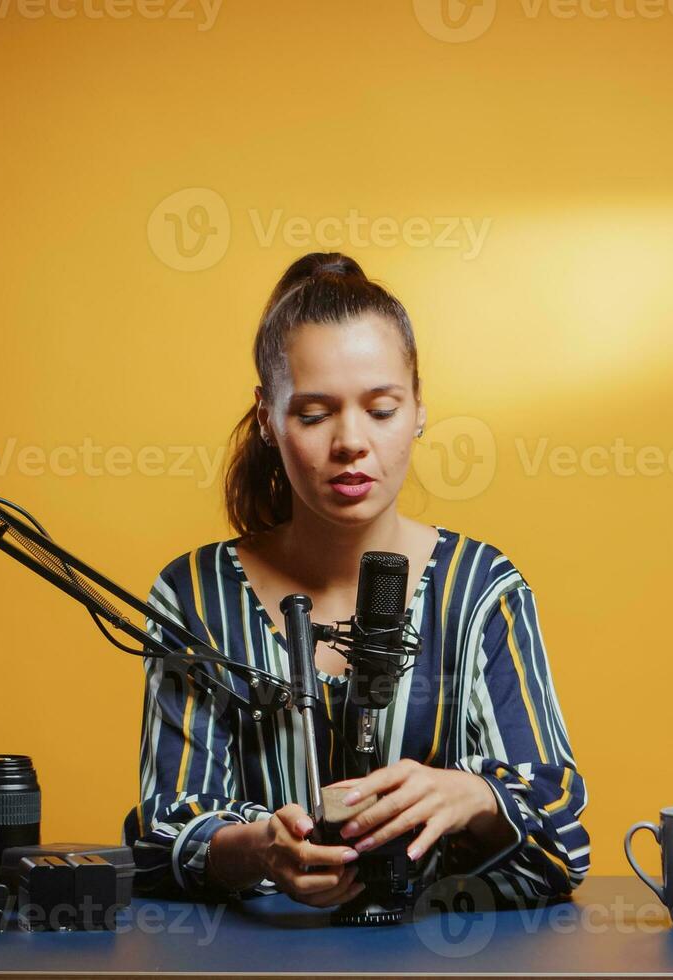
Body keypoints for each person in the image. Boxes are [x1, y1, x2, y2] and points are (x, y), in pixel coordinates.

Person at [123, 252, 588, 908]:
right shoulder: (196, 596)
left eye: (381, 409)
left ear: (419, 409)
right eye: (314, 414)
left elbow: (562, 842)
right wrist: (258, 847)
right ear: (265, 418)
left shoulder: (482, 590)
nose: (350, 442)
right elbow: (160, 838)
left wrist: (473, 798)